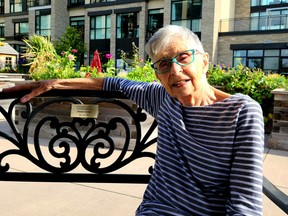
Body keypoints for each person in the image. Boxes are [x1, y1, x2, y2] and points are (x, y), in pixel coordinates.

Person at [3, 25, 264, 215]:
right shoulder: (163, 98)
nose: (175, 70)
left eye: (183, 58)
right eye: (163, 64)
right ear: (158, 76)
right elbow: (112, 82)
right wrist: (54, 83)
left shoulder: (242, 112)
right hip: (157, 210)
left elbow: (245, 204)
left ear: (204, 62)